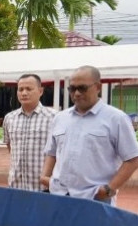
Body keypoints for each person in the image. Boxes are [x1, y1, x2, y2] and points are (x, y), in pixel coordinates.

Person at [41, 66, 138, 205]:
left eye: (82, 88)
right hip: (60, 196)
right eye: (72, 89)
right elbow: (52, 152)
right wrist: (45, 177)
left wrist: (109, 189)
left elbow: (133, 159)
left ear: (98, 87)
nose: (77, 93)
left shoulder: (116, 119)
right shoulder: (60, 118)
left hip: (95, 199)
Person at [3, 74, 56, 191]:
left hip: (43, 188)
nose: (24, 93)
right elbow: (10, 147)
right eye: (20, 89)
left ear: (40, 91)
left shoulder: (54, 117)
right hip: (16, 186)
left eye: (29, 89)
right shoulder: (9, 118)